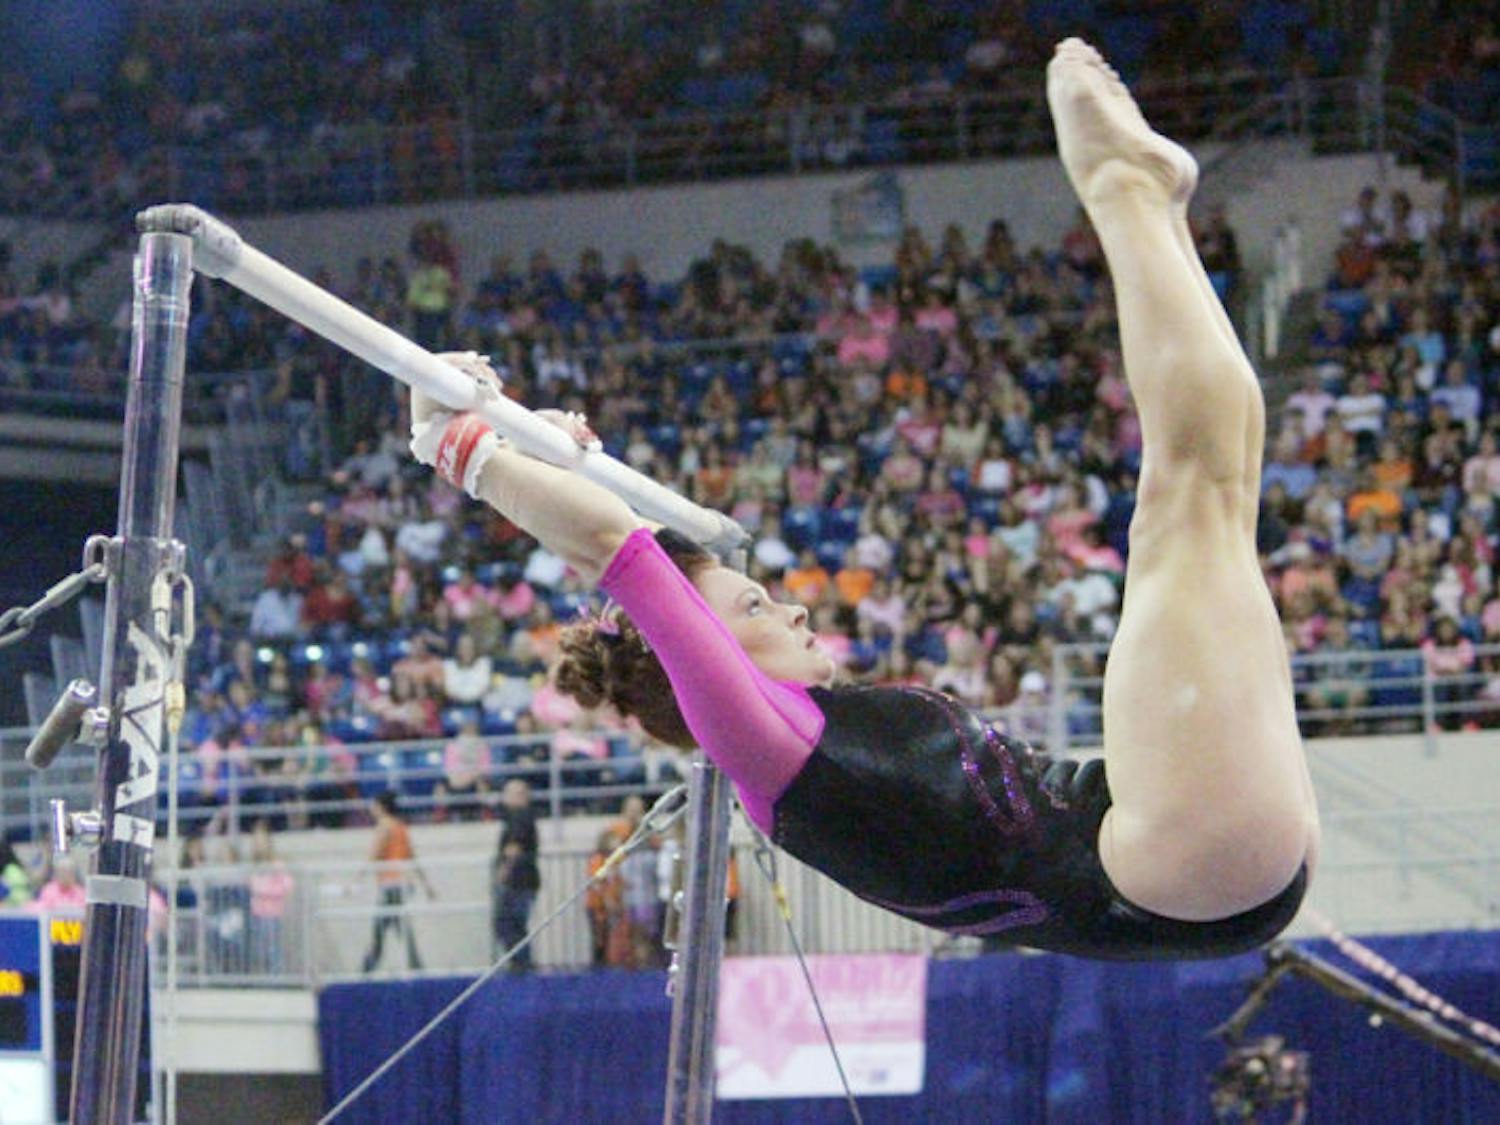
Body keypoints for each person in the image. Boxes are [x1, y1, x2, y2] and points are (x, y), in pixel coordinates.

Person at [406, 40, 1319, 961]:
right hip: (1165, 862)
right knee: (1191, 488)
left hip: (1172, 848)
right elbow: (616, 547)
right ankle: (1128, 194)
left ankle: (1144, 201)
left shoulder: (806, 743)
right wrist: (459, 448)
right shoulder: (761, 748)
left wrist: (543, 449)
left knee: (1213, 484)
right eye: (753, 606)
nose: (793, 603)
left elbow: (619, 539)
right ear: (701, 656)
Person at [361, 791, 433, 973]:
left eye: (374, 805)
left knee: (382, 926)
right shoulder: (401, 826)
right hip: (403, 882)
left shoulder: (384, 826)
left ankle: (367, 968)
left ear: (381, 807)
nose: (371, 809)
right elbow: (412, 857)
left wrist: (355, 881)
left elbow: (374, 855)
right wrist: (426, 885)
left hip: (391, 883)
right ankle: (415, 965)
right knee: (397, 925)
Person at [492, 779, 540, 970]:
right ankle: (520, 963)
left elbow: (514, 847)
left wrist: (503, 871)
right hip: (523, 880)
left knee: (508, 923)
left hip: (519, 881)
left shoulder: (520, 817)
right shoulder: (520, 817)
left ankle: (522, 964)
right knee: (513, 924)